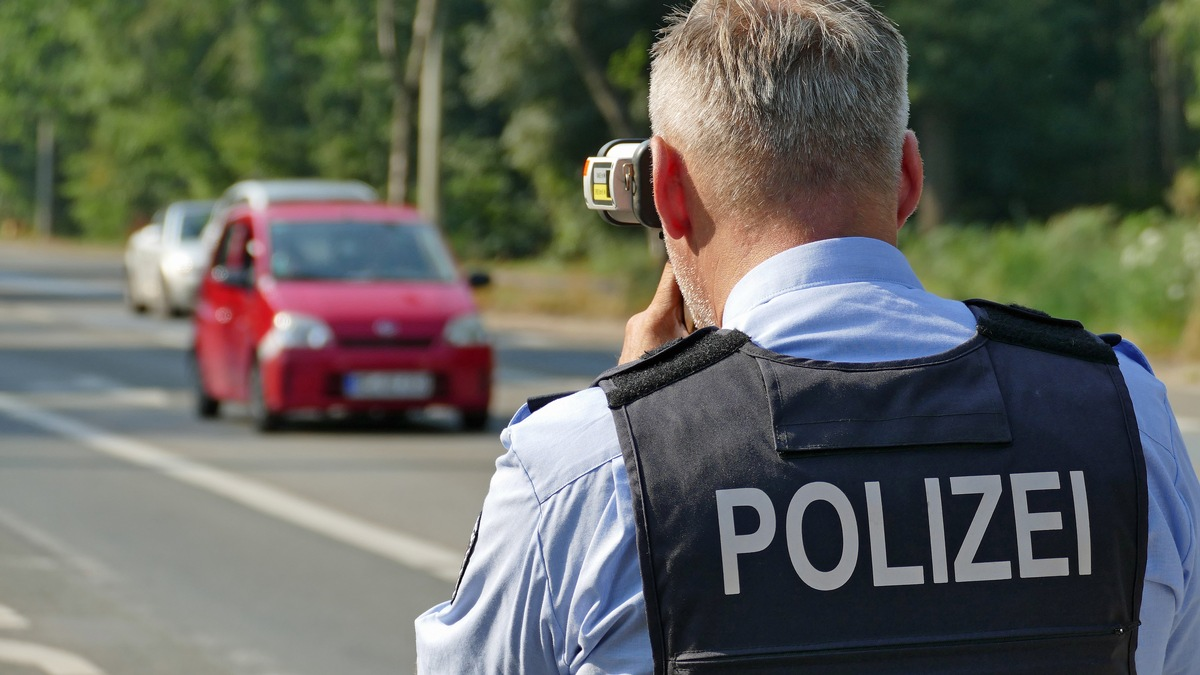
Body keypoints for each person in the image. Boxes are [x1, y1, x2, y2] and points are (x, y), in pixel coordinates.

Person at [415, 0, 1200, 672]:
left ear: (666, 195)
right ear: (908, 179)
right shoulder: (1125, 416)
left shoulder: (582, 472)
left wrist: (640, 419)